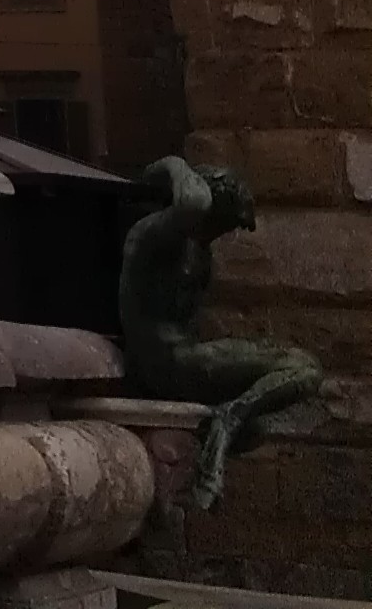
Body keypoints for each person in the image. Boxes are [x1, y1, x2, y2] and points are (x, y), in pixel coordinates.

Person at [120, 158, 323, 510]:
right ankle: (227, 420)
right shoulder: (154, 234)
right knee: (304, 368)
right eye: (227, 221)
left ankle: (230, 419)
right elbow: (193, 202)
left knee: (284, 388)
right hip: (164, 363)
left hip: (184, 356)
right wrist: (175, 165)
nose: (229, 232)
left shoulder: (199, 253)